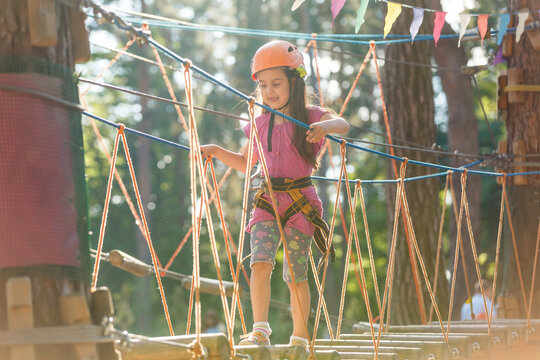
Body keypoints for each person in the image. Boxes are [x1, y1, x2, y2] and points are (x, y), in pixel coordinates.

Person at [200, 40, 350, 349]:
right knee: (260, 262)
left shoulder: (311, 116)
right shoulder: (259, 123)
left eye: (277, 84)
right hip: (267, 200)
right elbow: (245, 163)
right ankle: (260, 329)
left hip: (301, 201)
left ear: (294, 82)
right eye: (264, 85)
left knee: (295, 273)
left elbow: (343, 124)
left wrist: (325, 127)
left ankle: (299, 337)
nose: (269, 91)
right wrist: (215, 151)